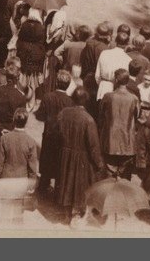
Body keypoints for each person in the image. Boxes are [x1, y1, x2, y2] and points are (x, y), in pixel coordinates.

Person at [55, 87, 104, 225]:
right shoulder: (88, 120)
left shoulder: (63, 113)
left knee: (65, 181)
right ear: (86, 101)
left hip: (64, 154)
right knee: (78, 185)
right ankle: (76, 215)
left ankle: (65, 212)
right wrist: (99, 163)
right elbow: (93, 146)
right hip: (81, 157)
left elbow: (56, 134)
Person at [0, 109, 39, 181]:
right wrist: (32, 183)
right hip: (22, 180)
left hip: (6, 178)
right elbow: (32, 166)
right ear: (26, 123)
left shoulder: (4, 138)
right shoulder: (31, 141)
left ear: (13, 120)